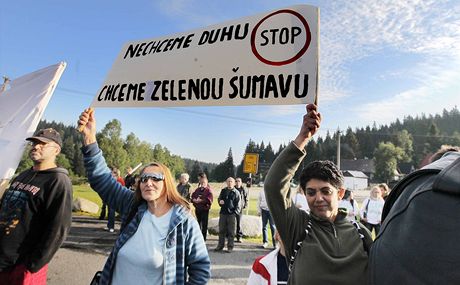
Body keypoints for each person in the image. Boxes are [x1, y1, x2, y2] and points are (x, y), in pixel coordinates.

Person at [78, 109, 210, 285]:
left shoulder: (183, 221)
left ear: (167, 183)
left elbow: (200, 269)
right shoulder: (132, 206)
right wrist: (89, 139)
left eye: (156, 178)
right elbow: (102, 180)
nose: (148, 182)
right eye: (144, 178)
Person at [264, 104, 372, 285]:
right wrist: (302, 138)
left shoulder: (361, 233)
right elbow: (273, 186)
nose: (318, 198)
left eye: (326, 191)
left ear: (340, 193)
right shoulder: (297, 227)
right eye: (311, 192)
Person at [0, 128, 73, 285]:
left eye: (43, 144)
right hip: (3, 262)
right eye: (34, 142)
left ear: (56, 150)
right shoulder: (22, 175)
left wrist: (31, 266)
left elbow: (58, 230)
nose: (36, 146)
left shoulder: (58, 181)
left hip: (20, 267)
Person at [215, 177, 240, 253]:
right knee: (221, 230)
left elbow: (239, 204)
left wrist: (234, 213)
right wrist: (220, 201)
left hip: (231, 214)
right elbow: (219, 199)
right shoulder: (223, 191)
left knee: (231, 232)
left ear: (234, 183)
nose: (230, 183)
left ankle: (230, 247)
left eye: (231, 181)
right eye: (228, 181)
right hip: (223, 213)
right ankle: (220, 246)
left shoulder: (236, 192)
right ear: (226, 182)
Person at [99, 167, 124, 233]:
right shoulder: (113, 179)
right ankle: (109, 226)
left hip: (116, 198)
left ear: (115, 174)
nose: (111, 174)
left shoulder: (119, 180)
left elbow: (120, 189)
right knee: (110, 212)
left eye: (112, 173)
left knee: (112, 212)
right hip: (111, 197)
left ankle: (112, 227)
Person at [191, 173, 213, 241]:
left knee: (204, 225)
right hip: (197, 209)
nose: (203, 183)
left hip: (204, 210)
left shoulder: (208, 190)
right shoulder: (197, 190)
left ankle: (203, 239)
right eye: (201, 182)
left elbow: (209, 200)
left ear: (206, 182)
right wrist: (194, 200)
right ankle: (198, 238)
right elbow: (192, 197)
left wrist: (201, 201)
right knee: (198, 224)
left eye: (204, 182)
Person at [234, 177, 248, 242]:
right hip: (232, 208)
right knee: (231, 223)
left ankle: (239, 237)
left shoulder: (243, 189)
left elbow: (246, 198)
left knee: (239, 223)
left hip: (240, 209)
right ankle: (229, 236)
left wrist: (245, 205)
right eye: (236, 181)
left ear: (241, 182)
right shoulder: (233, 189)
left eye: (239, 181)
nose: (237, 182)